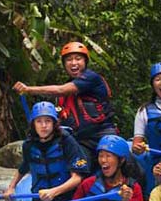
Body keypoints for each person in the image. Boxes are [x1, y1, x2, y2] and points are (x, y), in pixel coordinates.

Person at [13, 41, 118, 171]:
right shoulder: (64, 96)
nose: (74, 63)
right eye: (69, 60)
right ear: (64, 64)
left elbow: (60, 90)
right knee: (78, 169)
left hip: (103, 134)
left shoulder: (91, 78)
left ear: (85, 62)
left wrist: (28, 89)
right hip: (80, 141)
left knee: (119, 163)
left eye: (78, 59)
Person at [32, 135, 145, 201]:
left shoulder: (133, 188)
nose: (103, 160)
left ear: (121, 160)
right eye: (101, 156)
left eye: (108, 156)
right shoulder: (89, 183)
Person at [3, 101, 91, 201]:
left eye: (48, 121)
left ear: (54, 123)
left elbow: (77, 178)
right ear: (33, 124)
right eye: (39, 121)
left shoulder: (66, 141)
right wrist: (11, 188)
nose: (43, 126)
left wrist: (54, 192)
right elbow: (23, 168)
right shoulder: (29, 145)